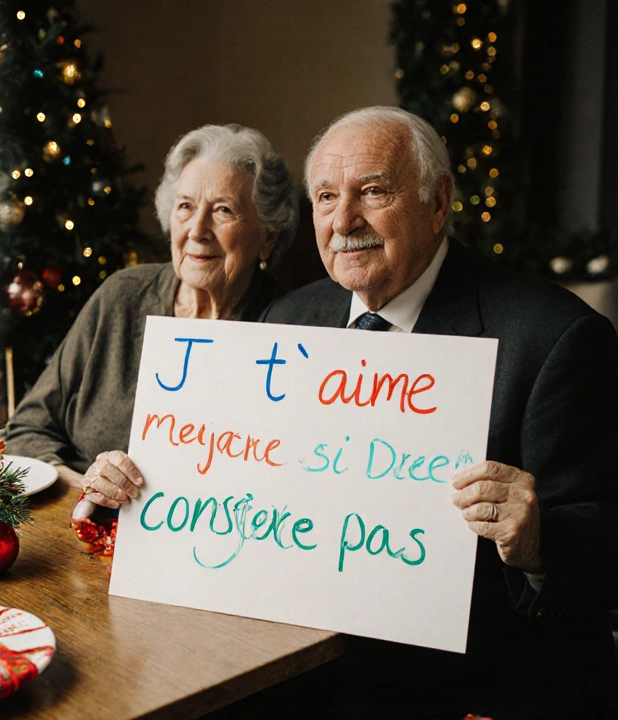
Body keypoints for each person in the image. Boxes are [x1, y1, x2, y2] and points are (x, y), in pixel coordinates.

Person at [137, 107, 618, 718]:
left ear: (438, 202)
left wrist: (539, 539)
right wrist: (144, 483)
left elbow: (605, 544)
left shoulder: (554, 337)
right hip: (302, 670)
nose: (343, 221)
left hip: (475, 685)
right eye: (327, 197)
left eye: (373, 192)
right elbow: (236, 493)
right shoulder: (287, 321)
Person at [4, 124, 296, 514]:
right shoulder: (121, 296)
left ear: (268, 236)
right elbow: (26, 429)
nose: (197, 230)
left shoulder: (291, 327)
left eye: (224, 210)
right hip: (82, 534)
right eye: (186, 206)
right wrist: (88, 485)